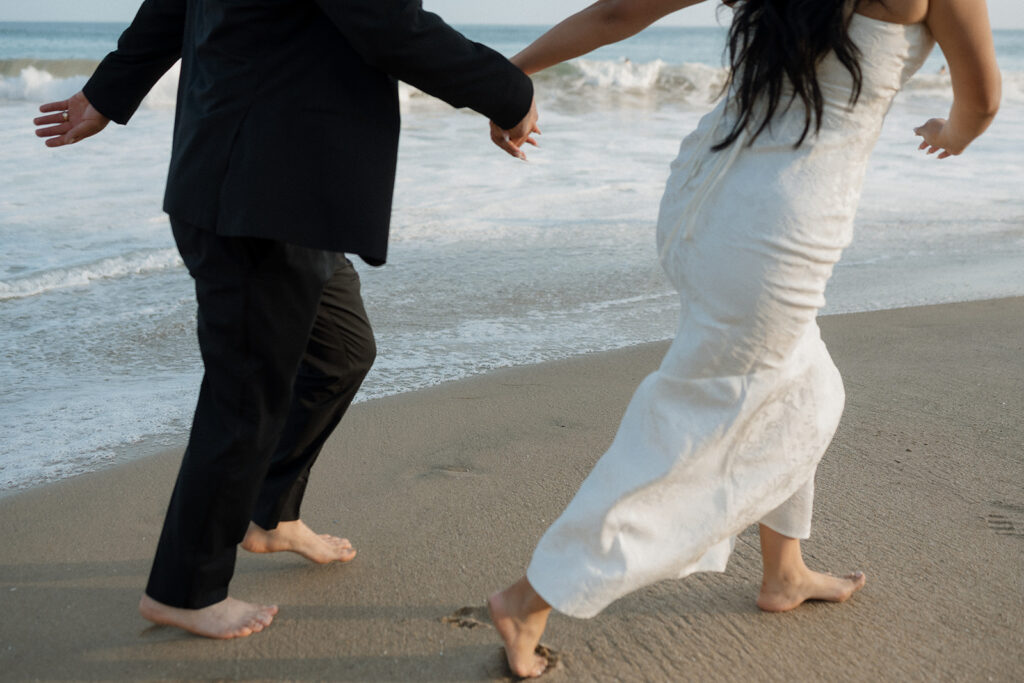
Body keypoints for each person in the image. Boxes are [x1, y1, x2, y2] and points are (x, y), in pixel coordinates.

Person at [485, 0, 1000, 677]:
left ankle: (784, 571)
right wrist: (955, 132)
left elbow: (617, 13)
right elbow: (983, 96)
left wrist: (505, 79)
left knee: (805, 386)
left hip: (702, 199)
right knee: (697, 424)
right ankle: (531, 597)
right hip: (778, 228)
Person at [33, 0, 539, 640]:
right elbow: (389, 26)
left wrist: (105, 92)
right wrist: (510, 94)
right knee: (244, 397)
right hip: (256, 195)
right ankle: (184, 592)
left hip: (283, 188)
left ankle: (270, 514)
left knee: (341, 354)